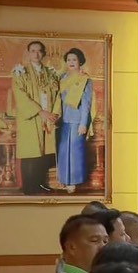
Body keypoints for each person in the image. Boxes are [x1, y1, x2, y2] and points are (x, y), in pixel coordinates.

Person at [12, 39, 60, 195]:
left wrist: (54, 113)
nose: (36, 54)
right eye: (33, 51)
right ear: (28, 53)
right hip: (31, 118)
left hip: (48, 117)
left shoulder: (50, 73)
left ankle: (40, 184)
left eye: (39, 51)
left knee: (44, 153)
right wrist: (40, 111)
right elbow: (20, 96)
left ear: (43, 53)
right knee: (30, 152)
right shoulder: (21, 72)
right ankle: (29, 187)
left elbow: (58, 95)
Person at [55, 47, 95, 193]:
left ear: (80, 62)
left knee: (75, 152)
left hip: (77, 120)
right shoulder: (63, 78)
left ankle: (74, 181)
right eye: (69, 60)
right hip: (64, 119)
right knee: (64, 151)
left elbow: (86, 103)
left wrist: (83, 124)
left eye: (74, 59)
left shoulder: (85, 79)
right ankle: (64, 180)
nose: (71, 62)